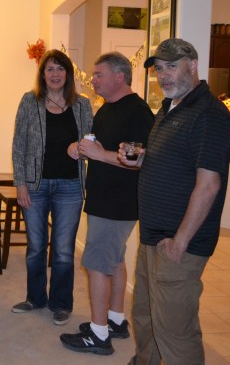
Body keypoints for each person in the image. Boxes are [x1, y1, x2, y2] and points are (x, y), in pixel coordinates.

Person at [119, 38, 230, 365]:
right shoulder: (169, 106)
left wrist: (180, 242)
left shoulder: (209, 114)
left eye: (172, 66)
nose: (164, 75)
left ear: (193, 65)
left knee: (175, 329)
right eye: (159, 69)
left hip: (178, 242)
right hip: (153, 235)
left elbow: (209, 185)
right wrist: (141, 159)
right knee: (144, 314)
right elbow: (176, 162)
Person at [58, 52, 154, 355]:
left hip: (118, 202)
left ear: (119, 76)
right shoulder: (107, 109)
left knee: (97, 264)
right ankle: (115, 320)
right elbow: (99, 146)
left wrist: (100, 155)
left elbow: (139, 160)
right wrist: (80, 148)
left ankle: (99, 335)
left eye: (99, 75)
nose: (93, 80)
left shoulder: (138, 112)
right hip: (103, 198)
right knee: (115, 261)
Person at [11, 49, 93, 326]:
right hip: (35, 186)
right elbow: (18, 145)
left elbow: (91, 141)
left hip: (70, 187)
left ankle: (61, 303)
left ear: (68, 74)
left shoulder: (82, 105)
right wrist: (20, 184)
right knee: (36, 247)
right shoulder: (29, 101)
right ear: (42, 74)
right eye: (50, 69)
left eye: (60, 68)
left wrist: (80, 147)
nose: (55, 74)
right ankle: (35, 298)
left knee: (63, 250)